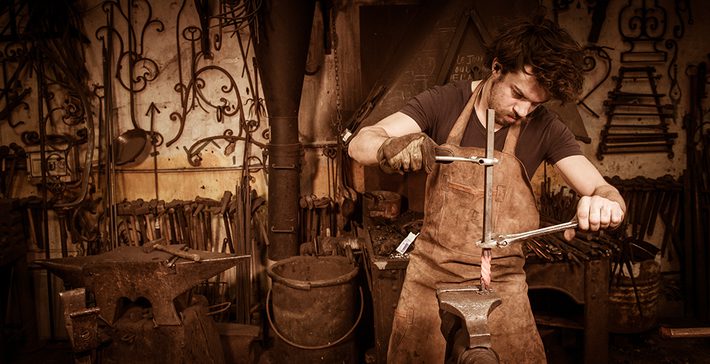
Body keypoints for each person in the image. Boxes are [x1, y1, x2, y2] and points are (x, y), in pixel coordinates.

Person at [347, 13, 626, 364]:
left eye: (535, 104)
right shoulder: (443, 102)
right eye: (517, 94)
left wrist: (605, 204)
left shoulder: (546, 128)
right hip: (431, 273)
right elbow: (360, 143)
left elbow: (603, 189)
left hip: (503, 280)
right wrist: (388, 148)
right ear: (497, 68)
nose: (523, 111)